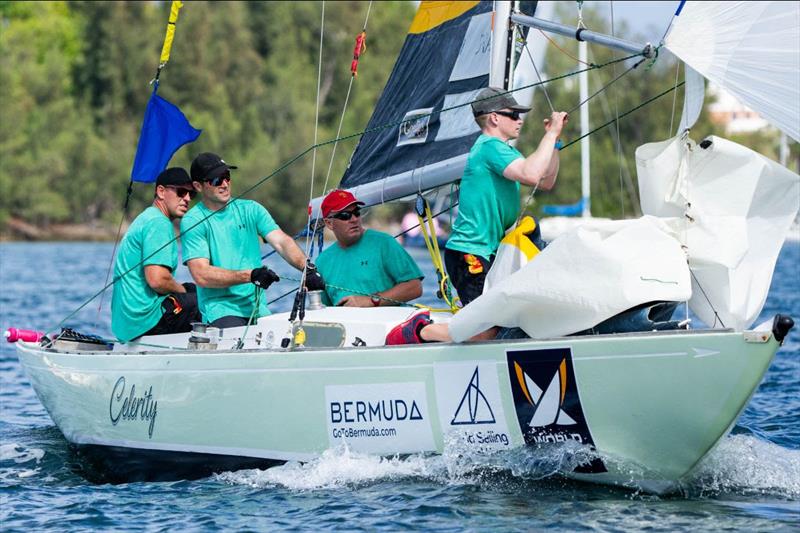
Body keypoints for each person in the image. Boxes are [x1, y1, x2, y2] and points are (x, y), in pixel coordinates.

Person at [386, 87, 568, 345]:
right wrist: (549, 134)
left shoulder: (502, 151)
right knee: (487, 329)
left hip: (488, 253)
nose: (520, 120)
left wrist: (555, 142)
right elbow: (530, 174)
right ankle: (418, 331)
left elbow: (545, 180)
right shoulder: (489, 147)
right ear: (494, 118)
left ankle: (453, 330)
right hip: (469, 253)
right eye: (514, 114)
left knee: (501, 322)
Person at [180, 152, 324, 328]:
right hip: (221, 309)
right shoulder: (193, 221)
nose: (224, 184)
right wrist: (251, 275)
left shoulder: (251, 210)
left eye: (227, 177)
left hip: (257, 309)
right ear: (198, 186)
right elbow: (201, 275)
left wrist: (306, 268)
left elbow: (281, 242)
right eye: (216, 180)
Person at [111, 167, 202, 342]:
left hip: (126, 324)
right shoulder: (159, 223)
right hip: (144, 320)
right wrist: (184, 291)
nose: (187, 198)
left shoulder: (147, 217)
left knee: (192, 292)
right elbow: (157, 280)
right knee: (203, 301)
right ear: (161, 191)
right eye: (181, 192)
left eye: (191, 194)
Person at [315, 190, 423, 307]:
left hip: (390, 322)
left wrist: (371, 300)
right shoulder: (322, 261)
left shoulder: (384, 243)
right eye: (345, 216)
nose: (354, 219)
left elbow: (415, 287)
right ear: (329, 223)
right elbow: (324, 308)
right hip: (347, 324)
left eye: (356, 212)